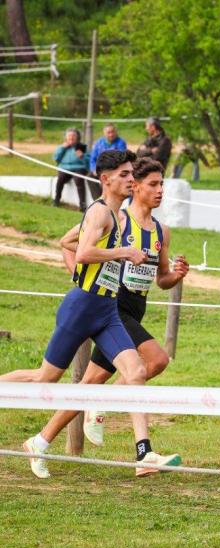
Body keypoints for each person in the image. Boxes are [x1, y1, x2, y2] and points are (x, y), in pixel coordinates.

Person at [0, 150, 157, 479]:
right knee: (45, 378)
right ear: (106, 179)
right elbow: (83, 252)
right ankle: (35, 433)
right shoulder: (99, 213)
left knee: (136, 371)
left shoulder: (115, 216)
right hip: (82, 308)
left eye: (132, 175)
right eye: (126, 175)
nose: (132, 180)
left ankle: (145, 454)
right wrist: (123, 252)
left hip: (107, 310)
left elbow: (67, 240)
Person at [28, 157, 187, 479]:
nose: (159, 191)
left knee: (94, 382)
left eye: (162, 185)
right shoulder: (116, 217)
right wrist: (84, 281)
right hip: (113, 306)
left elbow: (162, 278)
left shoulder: (160, 231)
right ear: (136, 186)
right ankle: (137, 445)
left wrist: (178, 275)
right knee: (149, 363)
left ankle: (42, 440)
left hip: (124, 309)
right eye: (152, 184)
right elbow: (72, 243)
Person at [52, 128, 90, 211]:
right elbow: (55, 158)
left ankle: (82, 204)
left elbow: (88, 161)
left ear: (77, 137)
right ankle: (56, 200)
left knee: (79, 180)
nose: (71, 138)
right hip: (64, 168)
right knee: (60, 179)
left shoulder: (82, 147)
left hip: (79, 168)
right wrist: (62, 148)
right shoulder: (62, 147)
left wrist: (82, 156)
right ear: (66, 137)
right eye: (69, 136)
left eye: (73, 136)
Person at [88, 124, 128, 199]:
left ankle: (107, 200)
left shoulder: (121, 143)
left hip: (114, 169)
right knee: (90, 176)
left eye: (112, 132)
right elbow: (92, 159)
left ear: (116, 132)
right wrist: (93, 169)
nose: (111, 134)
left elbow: (121, 159)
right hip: (100, 169)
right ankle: (97, 199)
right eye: (108, 132)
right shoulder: (98, 143)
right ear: (104, 133)